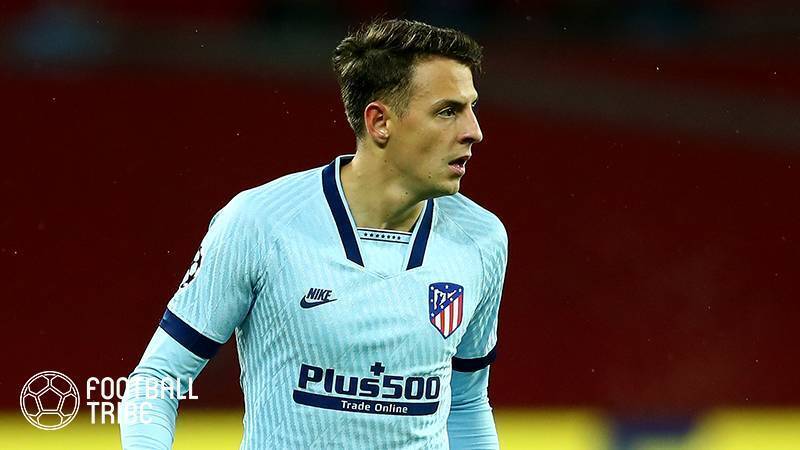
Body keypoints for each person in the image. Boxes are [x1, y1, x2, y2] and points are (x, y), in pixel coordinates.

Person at [120, 18, 508, 449]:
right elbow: (155, 381)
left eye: (471, 108)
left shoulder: (482, 240)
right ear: (380, 121)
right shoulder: (260, 223)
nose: (474, 131)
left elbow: (467, 403)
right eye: (448, 111)